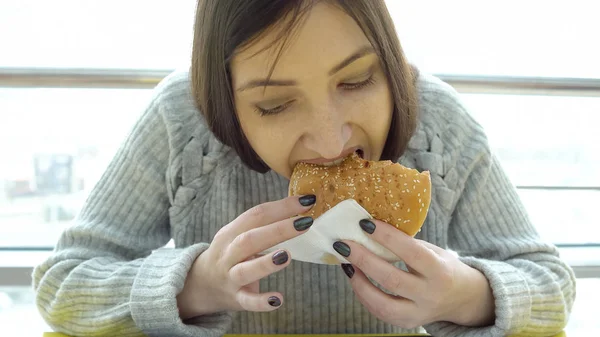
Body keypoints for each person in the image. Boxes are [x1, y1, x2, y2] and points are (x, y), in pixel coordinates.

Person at [32, 1, 576, 336]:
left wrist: (465, 295)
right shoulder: (183, 122)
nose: (330, 139)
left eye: (357, 80)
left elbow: (550, 282)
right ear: (226, 102)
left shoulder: (439, 124)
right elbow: (63, 282)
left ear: (389, 63)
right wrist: (196, 287)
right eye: (274, 105)